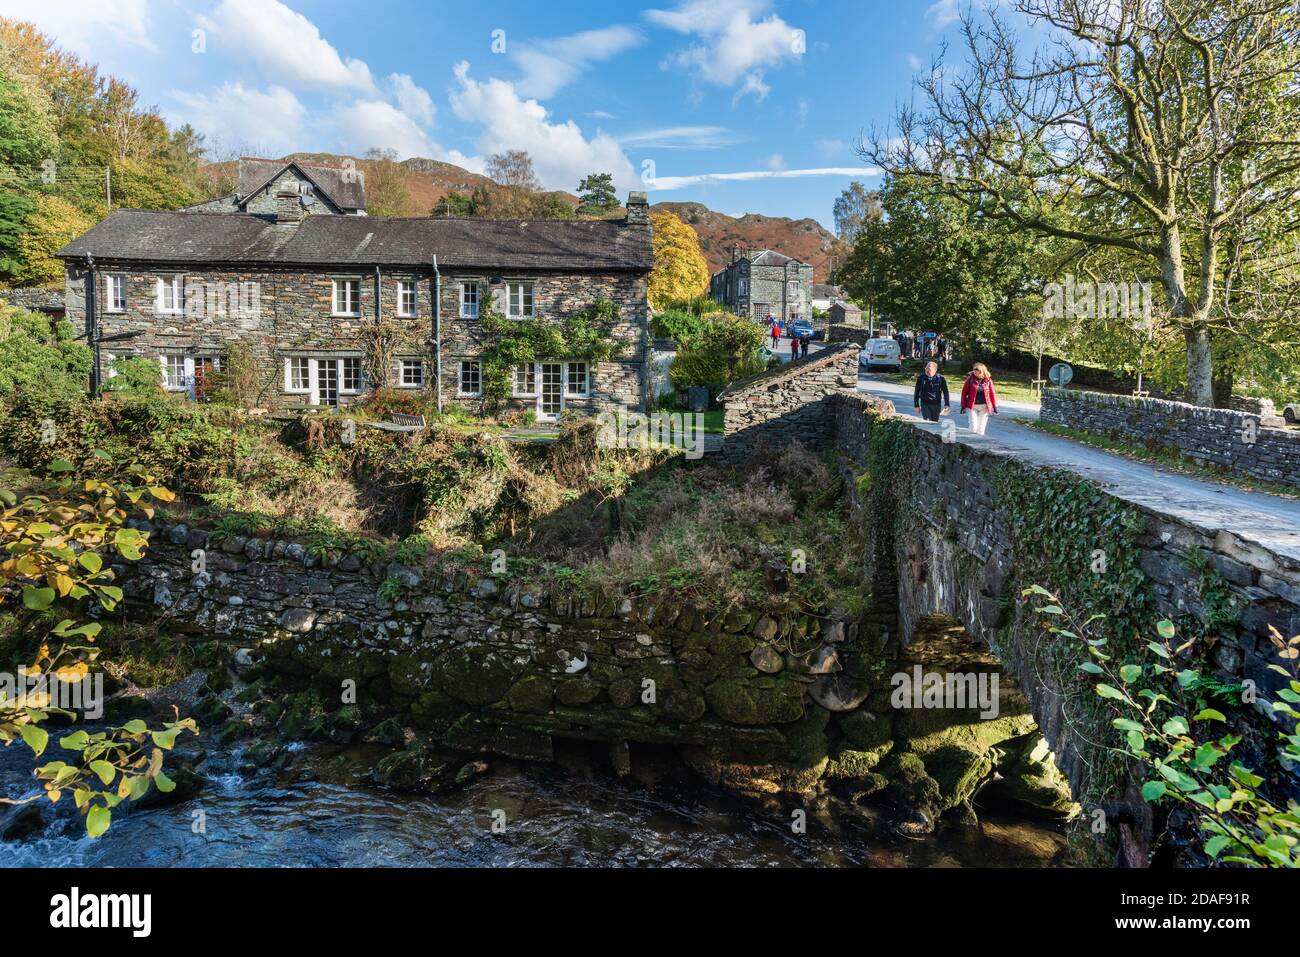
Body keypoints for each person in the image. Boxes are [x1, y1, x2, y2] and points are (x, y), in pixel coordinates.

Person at [960, 362, 999, 435]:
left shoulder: (988, 380)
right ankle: (970, 442)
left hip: (985, 407)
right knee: (973, 427)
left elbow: (992, 394)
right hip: (973, 406)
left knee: (981, 429)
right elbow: (964, 393)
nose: (974, 371)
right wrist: (963, 406)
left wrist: (994, 407)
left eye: (976, 370)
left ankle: (977, 444)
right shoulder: (970, 379)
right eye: (973, 369)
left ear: (981, 370)